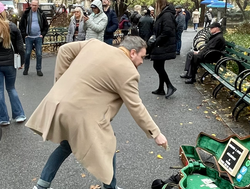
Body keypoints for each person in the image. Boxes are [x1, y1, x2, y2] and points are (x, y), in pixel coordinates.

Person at [26, 36, 168, 189]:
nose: (142, 61)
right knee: (108, 143)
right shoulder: (128, 71)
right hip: (81, 116)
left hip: (58, 104)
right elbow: (136, 106)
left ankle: (41, 186)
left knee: (67, 145)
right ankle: (109, 187)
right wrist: (156, 133)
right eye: (142, 57)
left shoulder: (94, 44)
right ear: (132, 53)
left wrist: (60, 83)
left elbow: (64, 50)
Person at [150, 0, 177, 99]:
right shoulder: (165, 14)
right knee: (159, 65)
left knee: (158, 66)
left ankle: (170, 86)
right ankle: (161, 88)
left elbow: (167, 31)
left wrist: (156, 41)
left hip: (163, 44)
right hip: (163, 44)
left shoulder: (166, 15)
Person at [19, 0, 49, 76]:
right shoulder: (26, 13)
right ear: (31, 5)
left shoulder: (41, 14)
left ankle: (38, 69)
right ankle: (26, 69)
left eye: (35, 5)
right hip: (29, 37)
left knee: (39, 54)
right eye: (32, 5)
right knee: (27, 53)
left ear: (38, 6)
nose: (34, 7)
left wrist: (42, 34)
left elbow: (46, 25)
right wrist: (24, 34)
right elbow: (21, 25)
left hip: (38, 37)